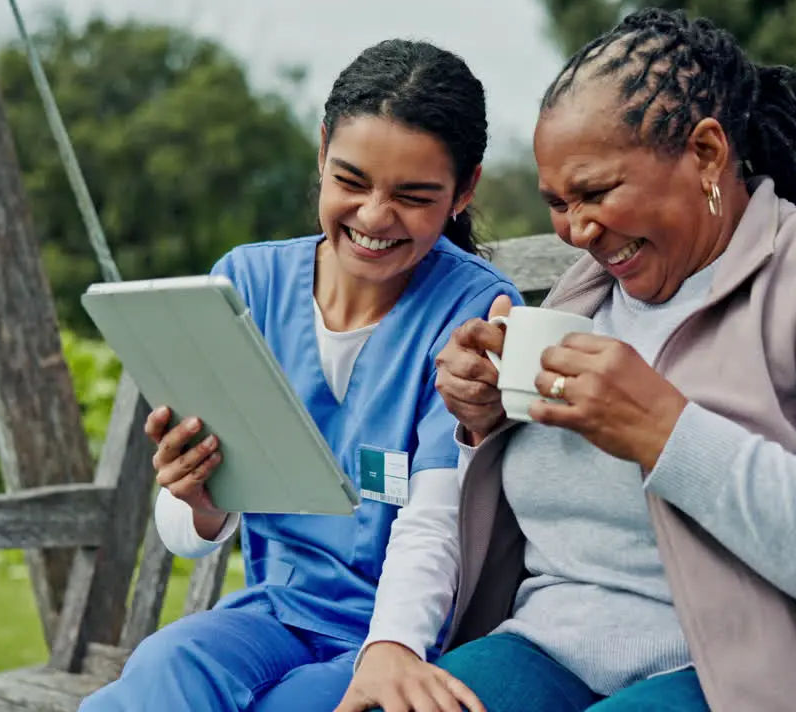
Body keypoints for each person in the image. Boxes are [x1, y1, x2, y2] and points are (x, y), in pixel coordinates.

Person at [431, 7, 796, 712]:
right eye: (557, 203)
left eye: (596, 192)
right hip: (549, 645)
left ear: (707, 153)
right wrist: (485, 416)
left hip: (757, 673)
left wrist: (667, 432)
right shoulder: (587, 291)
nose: (577, 229)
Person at [79, 39, 520, 712]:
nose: (374, 216)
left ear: (464, 190)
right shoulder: (245, 285)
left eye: (412, 195)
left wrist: (391, 648)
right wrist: (198, 497)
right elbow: (187, 531)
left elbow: (438, 519)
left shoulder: (474, 313)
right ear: (321, 154)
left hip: (407, 633)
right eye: (350, 181)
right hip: (275, 611)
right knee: (165, 664)